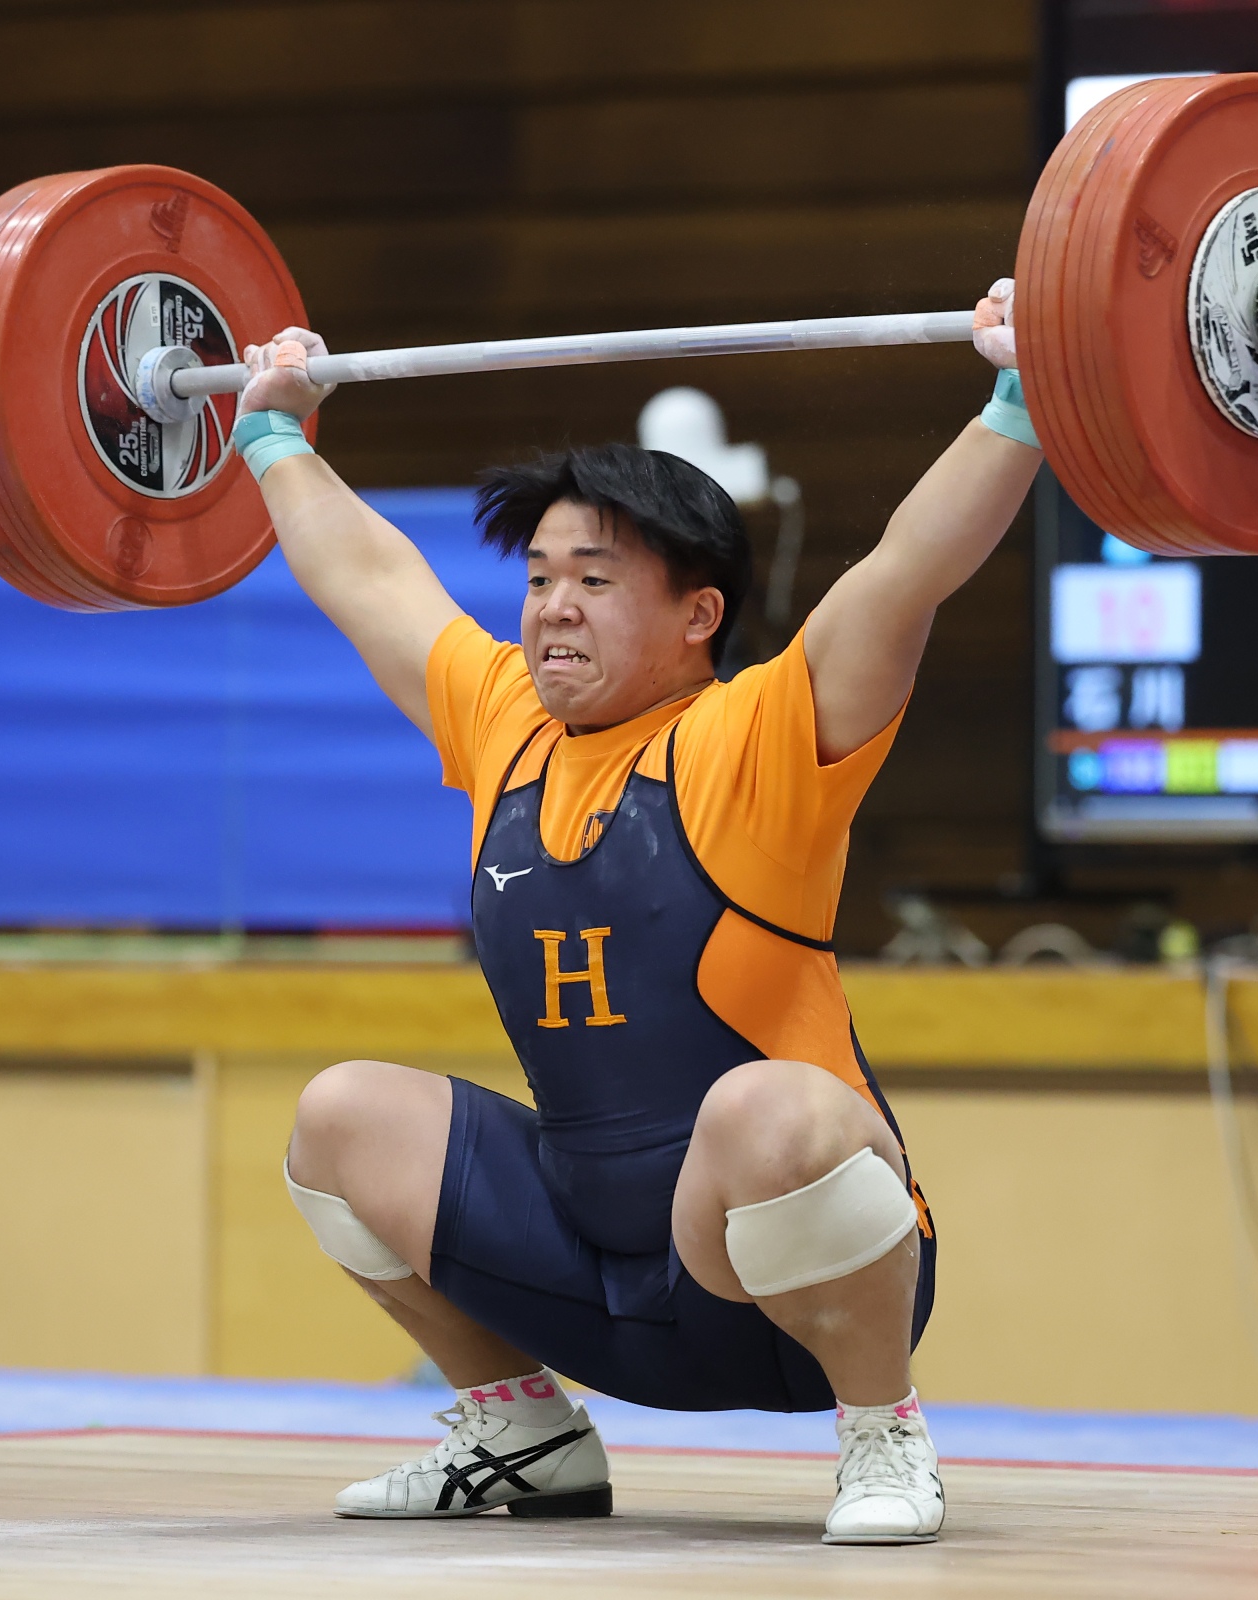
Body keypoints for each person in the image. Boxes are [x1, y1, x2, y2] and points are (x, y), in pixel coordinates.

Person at [237, 281, 1038, 1545]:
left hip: (766, 1292)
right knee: (341, 1115)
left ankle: (883, 1430)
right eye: (540, 576)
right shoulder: (504, 720)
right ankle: (522, 1433)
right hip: (581, 1271)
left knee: (769, 1107)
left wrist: (1023, 401)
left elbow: (906, 573)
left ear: (697, 615)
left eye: (595, 579)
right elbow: (368, 578)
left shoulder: (756, 736)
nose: (552, 604)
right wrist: (271, 431)